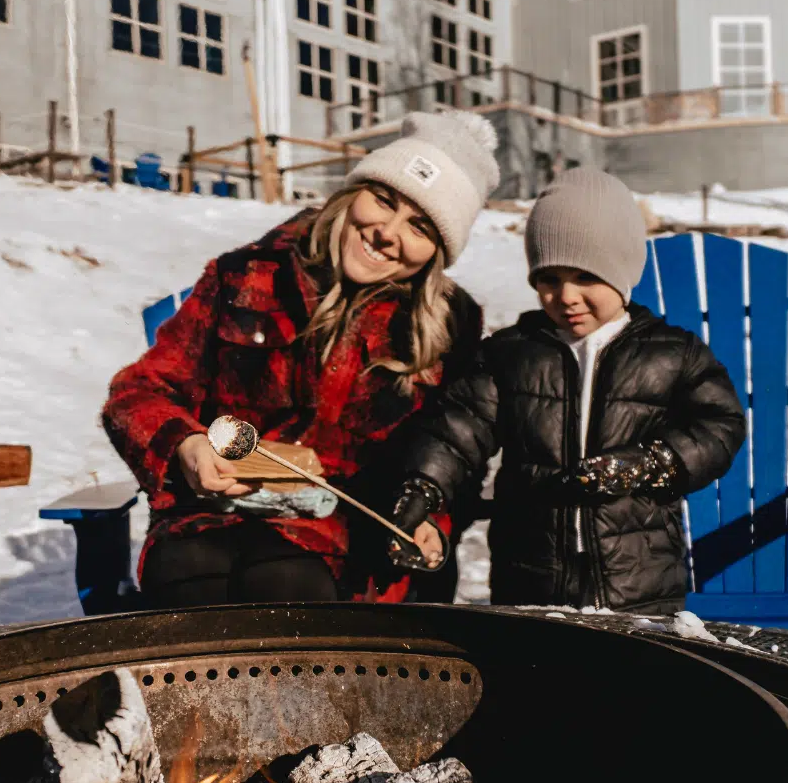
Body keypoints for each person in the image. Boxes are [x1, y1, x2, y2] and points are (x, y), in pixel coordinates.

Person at [101, 109, 500, 609]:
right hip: (210, 513)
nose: (387, 232)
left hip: (342, 535)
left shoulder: (447, 326)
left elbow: (450, 448)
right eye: (383, 200)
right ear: (354, 192)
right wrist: (186, 445)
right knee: (190, 577)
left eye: (419, 227)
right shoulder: (248, 276)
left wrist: (426, 519)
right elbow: (138, 393)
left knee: (288, 586)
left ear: (438, 251)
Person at [387, 167, 747, 614]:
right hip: (530, 572)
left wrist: (652, 463)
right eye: (550, 279)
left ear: (622, 273)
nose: (567, 296)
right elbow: (459, 429)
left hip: (639, 581)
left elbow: (720, 425)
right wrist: (426, 485)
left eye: (586, 277)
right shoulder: (512, 354)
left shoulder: (672, 354)